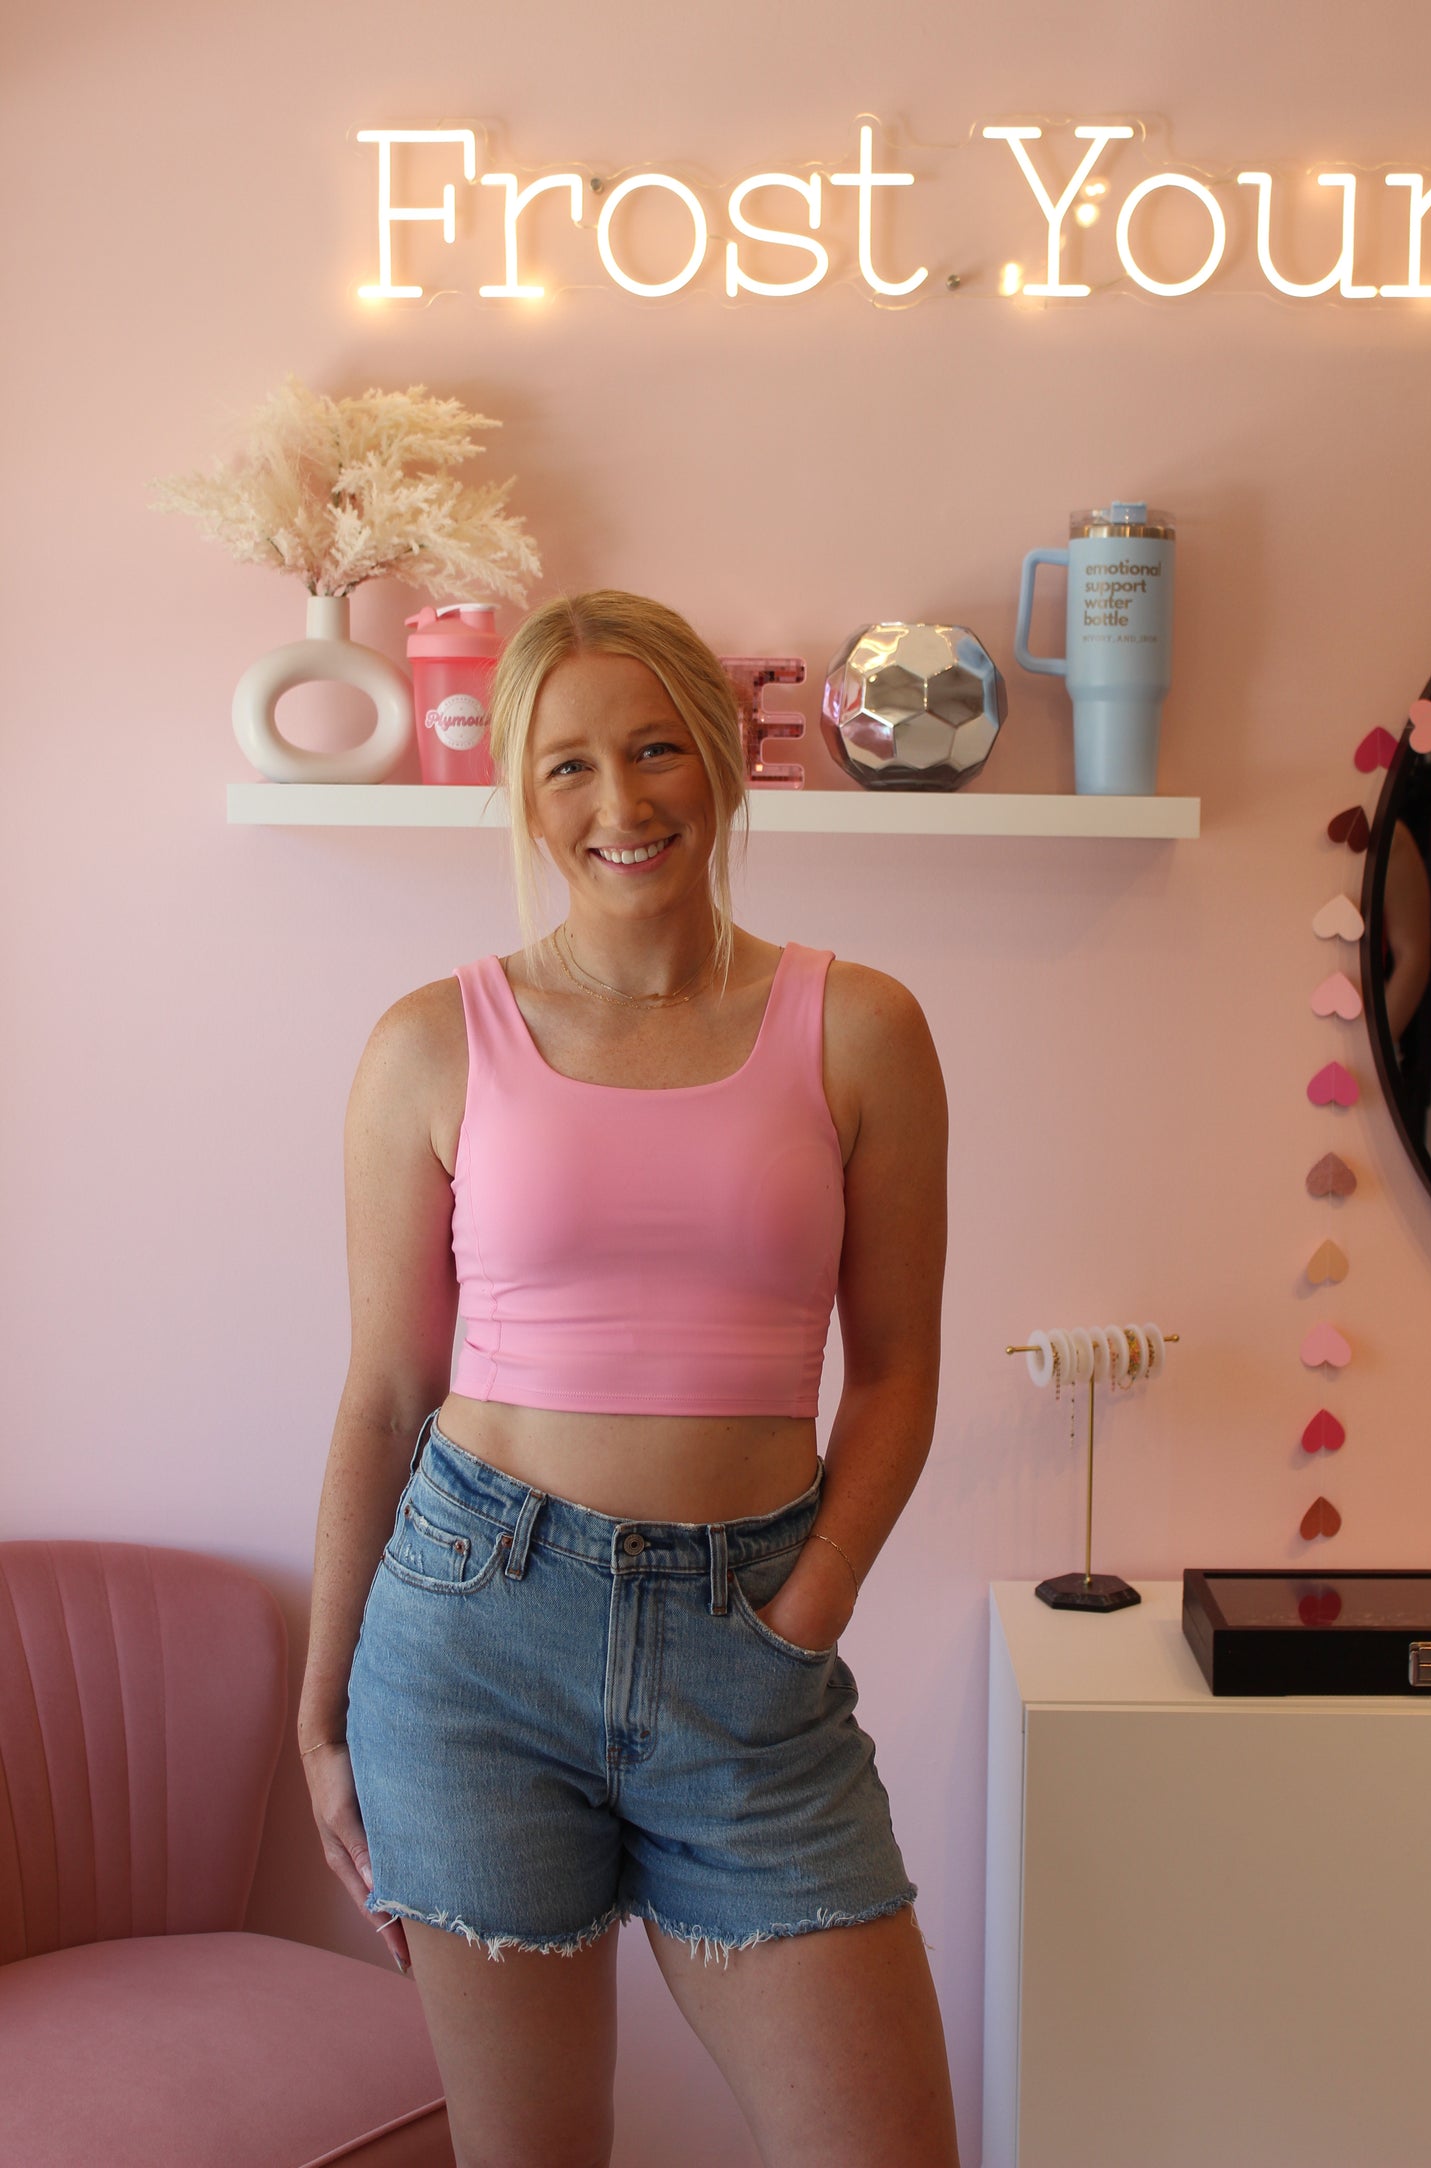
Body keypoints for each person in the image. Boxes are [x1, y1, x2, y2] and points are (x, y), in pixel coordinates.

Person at [299, 590, 956, 2168]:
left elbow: (897, 1374)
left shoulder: (860, 1028)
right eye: (569, 766)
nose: (621, 804)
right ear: (522, 795)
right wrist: (320, 1714)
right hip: (469, 1641)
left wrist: (805, 1611)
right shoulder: (428, 1045)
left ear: (724, 759)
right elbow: (386, 1393)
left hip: (749, 1656)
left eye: (655, 748)